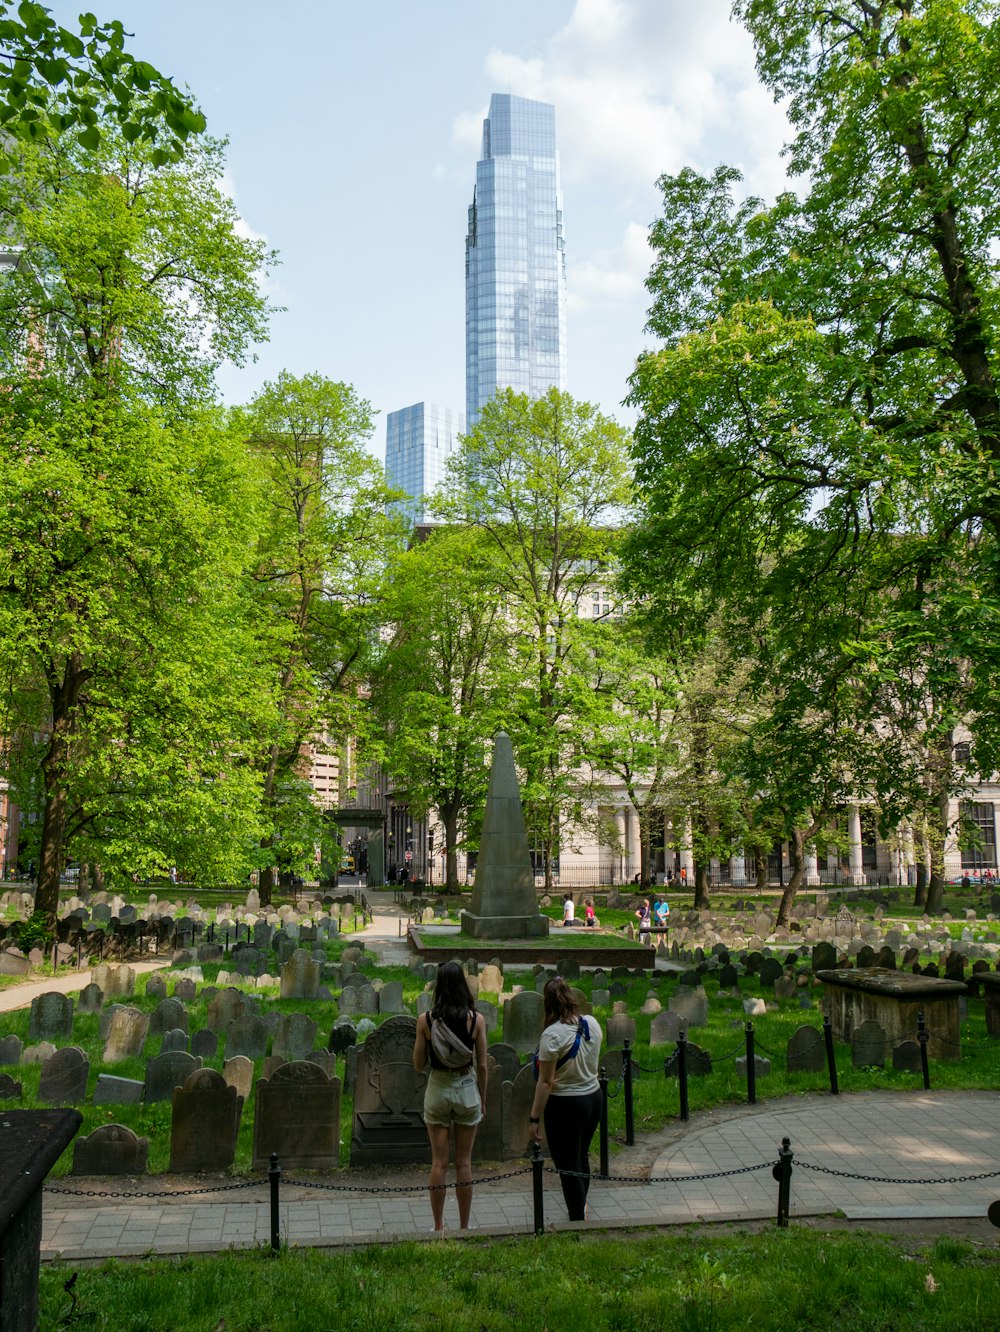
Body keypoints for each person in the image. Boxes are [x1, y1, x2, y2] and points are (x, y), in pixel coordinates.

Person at [412, 961, 487, 1231]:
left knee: (439, 1162)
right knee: (464, 1162)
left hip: (438, 1087)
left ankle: (438, 1226)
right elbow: (482, 1065)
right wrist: (483, 1097)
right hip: (467, 1087)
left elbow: (418, 1064)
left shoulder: (426, 1020)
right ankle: (465, 1226)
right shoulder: (476, 1020)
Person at [528, 977, 603, 1222]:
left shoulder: (551, 1035)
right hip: (593, 1098)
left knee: (568, 1166)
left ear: (547, 1004)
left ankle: (577, 1221)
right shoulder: (591, 1023)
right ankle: (581, 1211)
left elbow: (546, 1082)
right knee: (580, 1157)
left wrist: (534, 1117)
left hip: (566, 1105)